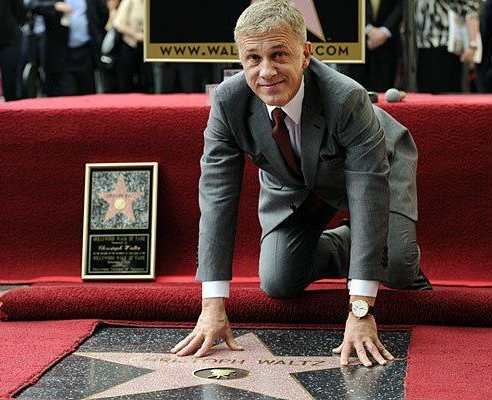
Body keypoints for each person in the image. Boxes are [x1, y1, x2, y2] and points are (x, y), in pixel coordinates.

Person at [171, 0, 431, 367]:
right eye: (253, 59)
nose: (266, 71)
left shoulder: (346, 97)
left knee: (400, 268)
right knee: (279, 281)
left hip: (375, 167)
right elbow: (217, 197)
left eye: (279, 54)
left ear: (306, 54)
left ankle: (382, 250)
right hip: (294, 183)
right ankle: (346, 245)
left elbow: (366, 192)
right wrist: (212, 305)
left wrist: (360, 310)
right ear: (240, 60)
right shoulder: (228, 103)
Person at [29, 0, 108, 97]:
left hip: (86, 53)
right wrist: (55, 6)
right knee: (67, 95)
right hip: (62, 55)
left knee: (87, 95)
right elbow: (33, 5)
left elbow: (103, 12)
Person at [415, 0, 480, 93]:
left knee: (446, 93)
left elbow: (471, 9)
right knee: (425, 92)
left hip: (446, 44)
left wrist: (472, 44)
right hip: (423, 44)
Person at [338, 0, 403, 92]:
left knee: (385, 93)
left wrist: (385, 31)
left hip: (388, 44)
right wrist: (367, 28)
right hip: (355, 43)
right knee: (355, 92)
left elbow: (402, 5)